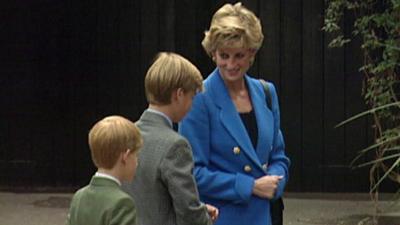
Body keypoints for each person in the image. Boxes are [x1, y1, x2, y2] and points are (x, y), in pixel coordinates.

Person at [179, 3, 290, 225]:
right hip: (224, 217)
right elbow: (192, 173)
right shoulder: (199, 99)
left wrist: (276, 182)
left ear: (252, 53)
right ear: (213, 53)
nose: (231, 64)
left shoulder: (266, 92)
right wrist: (250, 186)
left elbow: (278, 156)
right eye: (224, 55)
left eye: (238, 55)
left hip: (267, 215)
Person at [123, 52, 218, 225]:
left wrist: (200, 208)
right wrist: (203, 217)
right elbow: (188, 213)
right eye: (192, 97)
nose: (192, 105)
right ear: (179, 95)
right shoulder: (176, 146)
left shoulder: (125, 136)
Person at [66, 115, 143, 225]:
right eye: (136, 155)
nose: (137, 162)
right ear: (125, 157)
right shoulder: (122, 203)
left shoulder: (79, 197)